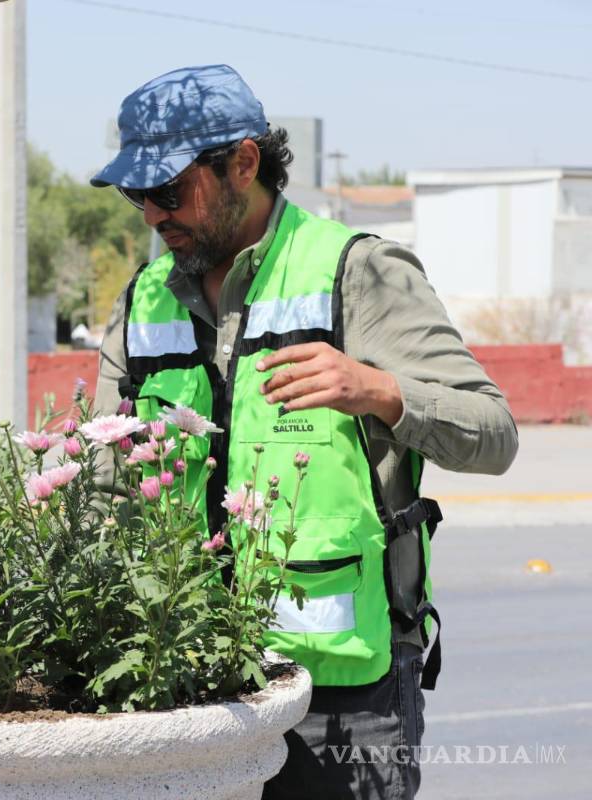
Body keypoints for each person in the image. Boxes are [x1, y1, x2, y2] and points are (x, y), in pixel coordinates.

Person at [89, 65, 518, 800]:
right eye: (137, 196)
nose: (152, 217)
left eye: (168, 191)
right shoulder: (144, 301)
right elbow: (99, 487)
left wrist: (380, 392)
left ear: (244, 164)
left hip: (343, 694)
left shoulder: (357, 272)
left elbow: (494, 433)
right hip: (188, 683)